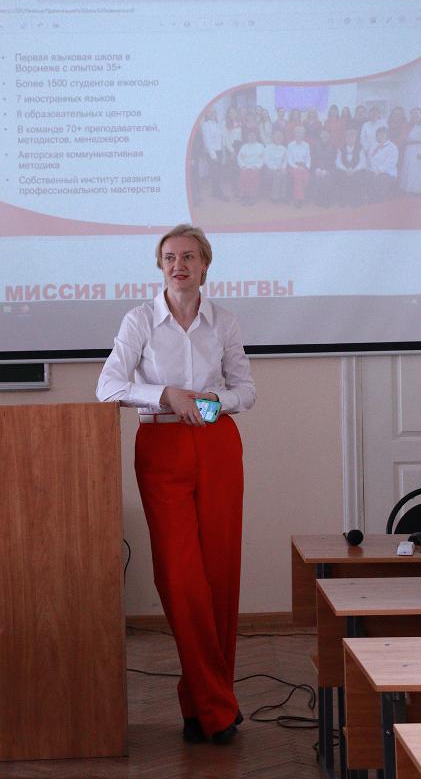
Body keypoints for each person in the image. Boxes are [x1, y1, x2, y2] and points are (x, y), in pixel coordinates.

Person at [96, 224, 256, 746]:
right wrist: (166, 394)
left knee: (220, 575)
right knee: (181, 578)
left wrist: (213, 402)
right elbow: (108, 386)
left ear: (205, 264)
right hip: (162, 446)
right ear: (160, 265)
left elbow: (245, 390)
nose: (178, 265)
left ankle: (204, 705)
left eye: (188, 256)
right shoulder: (140, 320)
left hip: (217, 443)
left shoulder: (224, 321)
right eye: (169, 257)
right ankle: (216, 705)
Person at [335, 127, 369, 207]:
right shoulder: (341, 149)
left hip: (356, 171)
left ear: (355, 139)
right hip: (344, 170)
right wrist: (345, 169)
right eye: (348, 137)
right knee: (341, 176)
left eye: (353, 137)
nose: (350, 139)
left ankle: (355, 201)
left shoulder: (360, 149)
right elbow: (338, 162)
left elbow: (362, 163)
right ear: (345, 139)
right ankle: (343, 201)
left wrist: (354, 170)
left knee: (357, 177)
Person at [400, 107, 421, 195]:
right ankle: (409, 189)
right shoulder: (411, 126)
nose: (414, 115)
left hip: (419, 150)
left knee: (417, 171)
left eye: (416, 113)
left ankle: (418, 190)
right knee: (410, 170)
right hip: (409, 150)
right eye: (412, 114)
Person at [367, 126, 399, 202]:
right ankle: (367, 196)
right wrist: (369, 169)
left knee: (381, 178)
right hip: (374, 170)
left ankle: (376, 198)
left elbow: (390, 163)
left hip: (387, 172)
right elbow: (369, 160)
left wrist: (378, 171)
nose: (380, 136)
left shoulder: (392, 147)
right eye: (378, 135)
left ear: (387, 135)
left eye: (382, 134)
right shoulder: (374, 146)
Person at [237, 130, 265, 204]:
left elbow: (262, 158)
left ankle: (252, 196)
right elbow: (240, 157)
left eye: (253, 135)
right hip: (245, 167)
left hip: (255, 167)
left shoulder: (260, 146)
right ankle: (244, 195)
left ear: (256, 136)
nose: (252, 137)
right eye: (250, 135)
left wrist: (257, 166)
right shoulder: (244, 146)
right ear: (247, 137)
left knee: (253, 176)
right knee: (243, 175)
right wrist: (242, 166)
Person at [287, 124, 311, 206]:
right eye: (297, 132)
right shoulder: (290, 145)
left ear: (304, 134)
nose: (299, 134)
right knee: (298, 175)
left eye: (301, 133)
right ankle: (299, 198)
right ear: (294, 134)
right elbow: (289, 159)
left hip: (303, 166)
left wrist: (307, 167)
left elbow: (308, 158)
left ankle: (299, 196)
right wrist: (297, 167)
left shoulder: (306, 145)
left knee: (307, 177)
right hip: (293, 166)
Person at [263, 128, 288, 201]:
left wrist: (283, 168)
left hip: (281, 168)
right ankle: (275, 196)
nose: (278, 137)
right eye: (276, 135)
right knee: (278, 175)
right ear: (273, 137)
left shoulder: (284, 148)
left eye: (280, 136)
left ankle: (283, 195)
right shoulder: (268, 147)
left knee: (285, 174)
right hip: (270, 169)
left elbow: (285, 160)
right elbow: (266, 160)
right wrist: (275, 168)